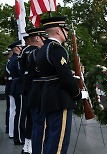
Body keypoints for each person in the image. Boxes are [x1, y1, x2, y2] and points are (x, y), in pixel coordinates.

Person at [34, 16, 88, 154]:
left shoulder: (42, 49)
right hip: (59, 98)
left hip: (48, 96)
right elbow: (65, 78)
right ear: (58, 31)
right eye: (65, 29)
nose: (67, 33)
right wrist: (78, 94)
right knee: (59, 142)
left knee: (50, 139)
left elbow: (52, 72)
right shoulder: (56, 49)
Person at [19, 28, 47, 154]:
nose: (45, 39)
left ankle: (27, 145)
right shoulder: (36, 51)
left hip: (27, 84)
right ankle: (30, 145)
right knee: (34, 118)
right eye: (43, 37)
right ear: (37, 38)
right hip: (35, 85)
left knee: (29, 116)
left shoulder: (24, 51)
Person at [7, 40, 25, 145]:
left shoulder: (13, 59)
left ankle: (18, 136)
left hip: (16, 85)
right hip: (19, 86)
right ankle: (18, 137)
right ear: (17, 48)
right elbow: (21, 72)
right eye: (20, 47)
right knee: (20, 112)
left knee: (18, 112)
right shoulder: (16, 59)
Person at [3, 49, 13, 134]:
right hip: (10, 86)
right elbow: (6, 77)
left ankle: (9, 128)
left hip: (10, 86)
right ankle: (9, 127)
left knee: (10, 108)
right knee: (11, 108)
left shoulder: (8, 63)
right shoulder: (8, 64)